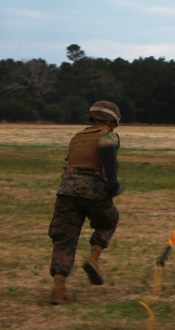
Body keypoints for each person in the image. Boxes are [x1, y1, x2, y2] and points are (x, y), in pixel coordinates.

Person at [48, 101, 123, 304]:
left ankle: (59, 286)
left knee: (65, 237)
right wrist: (113, 183)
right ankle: (94, 258)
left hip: (66, 191)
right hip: (93, 189)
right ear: (110, 121)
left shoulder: (77, 137)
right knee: (108, 221)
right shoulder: (107, 135)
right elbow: (107, 152)